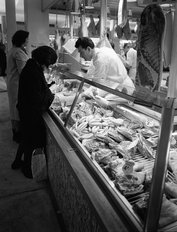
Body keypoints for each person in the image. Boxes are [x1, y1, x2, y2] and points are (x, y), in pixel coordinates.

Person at [11, 46, 57, 179]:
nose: (49, 66)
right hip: (30, 112)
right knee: (32, 140)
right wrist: (52, 96)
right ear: (45, 61)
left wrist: (48, 87)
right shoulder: (33, 71)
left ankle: (18, 162)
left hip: (25, 109)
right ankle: (29, 170)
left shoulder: (31, 66)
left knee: (26, 137)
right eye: (50, 63)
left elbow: (37, 89)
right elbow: (37, 98)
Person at [6, 30, 29, 143]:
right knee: (17, 108)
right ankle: (18, 134)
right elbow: (23, 72)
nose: (28, 40)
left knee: (14, 107)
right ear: (22, 39)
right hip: (17, 84)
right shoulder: (18, 52)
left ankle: (16, 131)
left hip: (12, 82)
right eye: (26, 38)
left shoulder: (13, 50)